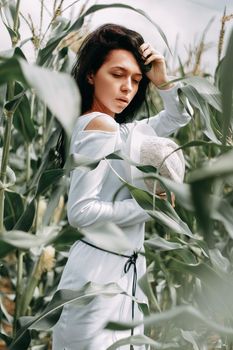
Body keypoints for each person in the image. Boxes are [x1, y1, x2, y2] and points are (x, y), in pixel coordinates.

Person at [52, 23, 191, 350]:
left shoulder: (116, 129)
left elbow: (177, 118)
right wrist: (146, 207)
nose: (128, 88)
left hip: (120, 275)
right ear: (91, 75)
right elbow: (80, 211)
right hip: (98, 280)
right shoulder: (100, 126)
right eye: (117, 74)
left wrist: (163, 80)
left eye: (136, 79)